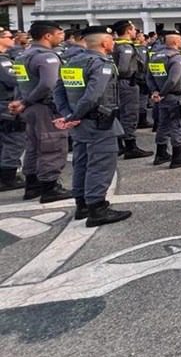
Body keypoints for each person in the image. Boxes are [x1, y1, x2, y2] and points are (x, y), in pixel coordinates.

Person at [53, 26, 131, 226]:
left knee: (82, 163)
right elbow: (93, 95)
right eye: (111, 40)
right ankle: (97, 209)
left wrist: (68, 115)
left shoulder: (72, 61)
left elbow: (58, 90)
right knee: (101, 165)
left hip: (79, 123)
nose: (113, 43)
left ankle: (82, 206)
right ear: (105, 42)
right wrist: (74, 115)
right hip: (98, 122)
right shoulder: (101, 64)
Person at [9, 21, 71, 202]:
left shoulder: (23, 55)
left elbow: (20, 82)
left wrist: (21, 102)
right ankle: (49, 188)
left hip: (29, 107)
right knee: (52, 146)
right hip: (45, 107)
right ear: (47, 36)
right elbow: (48, 84)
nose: (62, 37)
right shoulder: (46, 57)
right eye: (59, 33)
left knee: (33, 147)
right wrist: (25, 101)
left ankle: (32, 185)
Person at [146, 31, 181, 168]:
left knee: (163, 125)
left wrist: (155, 92)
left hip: (161, 98)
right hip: (175, 96)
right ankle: (178, 157)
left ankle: (161, 154)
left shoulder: (155, 56)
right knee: (178, 126)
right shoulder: (177, 58)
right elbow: (173, 80)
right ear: (175, 42)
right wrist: (162, 93)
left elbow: (149, 77)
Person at [111, 21, 153, 159]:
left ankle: (119, 144)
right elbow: (123, 68)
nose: (136, 32)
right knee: (129, 114)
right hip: (127, 83)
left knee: (119, 113)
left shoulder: (116, 44)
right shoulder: (126, 47)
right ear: (129, 31)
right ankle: (130, 146)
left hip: (119, 84)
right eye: (134, 29)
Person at [0, 29, 26, 191]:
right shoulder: (3, 61)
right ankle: (8, 177)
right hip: (5, 104)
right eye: (9, 37)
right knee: (15, 139)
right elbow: (14, 79)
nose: (13, 39)